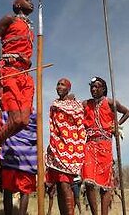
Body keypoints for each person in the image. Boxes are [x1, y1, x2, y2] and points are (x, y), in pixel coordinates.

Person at [0, 0, 36, 181]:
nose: (31, 1)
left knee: (24, 121)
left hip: (25, 75)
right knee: (15, 118)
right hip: (9, 70)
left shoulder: (30, 28)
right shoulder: (9, 19)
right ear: (18, 4)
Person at [81, 76, 129, 215]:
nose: (94, 89)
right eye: (92, 87)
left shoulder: (110, 102)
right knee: (89, 182)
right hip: (89, 145)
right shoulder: (86, 104)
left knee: (105, 185)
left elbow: (127, 112)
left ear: (103, 89)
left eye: (97, 86)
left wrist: (117, 125)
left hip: (105, 145)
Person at [46, 78, 86, 215]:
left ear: (68, 88)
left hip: (70, 149)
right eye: (58, 84)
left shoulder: (76, 104)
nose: (59, 86)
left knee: (65, 185)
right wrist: (50, 145)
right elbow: (53, 127)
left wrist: (78, 144)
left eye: (62, 84)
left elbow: (80, 123)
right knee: (58, 185)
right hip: (55, 148)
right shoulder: (54, 104)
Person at [0, 112, 38, 215]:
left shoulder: (34, 114)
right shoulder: (7, 113)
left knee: (24, 191)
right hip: (10, 157)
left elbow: (36, 136)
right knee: (7, 190)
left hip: (27, 159)